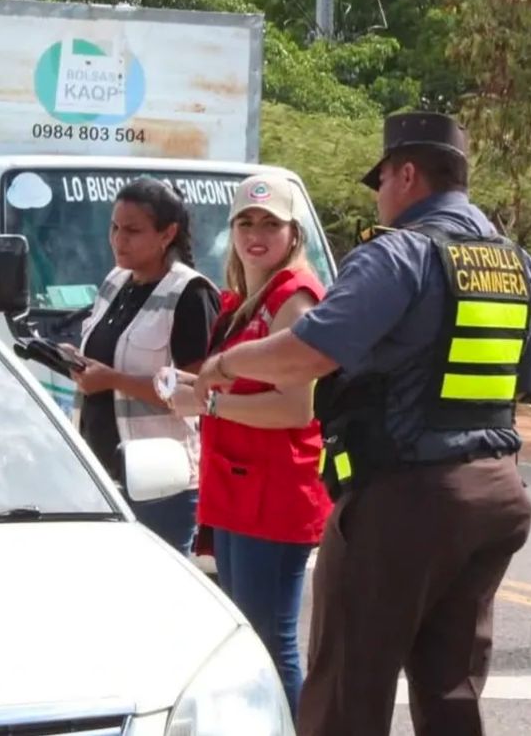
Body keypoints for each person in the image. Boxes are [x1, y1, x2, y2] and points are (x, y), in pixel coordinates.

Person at [193, 112, 531, 736]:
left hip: (406, 498)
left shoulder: (399, 253)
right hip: (496, 493)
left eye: (380, 178)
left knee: (348, 689)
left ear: (406, 174)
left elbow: (307, 353)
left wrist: (223, 363)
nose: (379, 193)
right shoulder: (514, 263)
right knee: (451, 687)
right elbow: (525, 377)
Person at [165, 174, 331, 719]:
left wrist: (208, 405)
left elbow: (295, 409)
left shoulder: (295, 298)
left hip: (275, 492)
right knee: (246, 640)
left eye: (271, 224)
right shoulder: (241, 298)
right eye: (246, 223)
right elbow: (229, 389)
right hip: (235, 489)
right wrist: (189, 391)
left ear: (294, 232)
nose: (256, 235)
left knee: (270, 642)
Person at [67, 178, 220, 555]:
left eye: (133, 231)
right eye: (114, 228)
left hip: (160, 483)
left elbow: (197, 394)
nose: (119, 240)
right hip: (101, 473)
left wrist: (113, 380)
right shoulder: (116, 281)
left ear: (168, 234)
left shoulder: (190, 294)